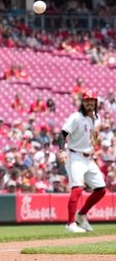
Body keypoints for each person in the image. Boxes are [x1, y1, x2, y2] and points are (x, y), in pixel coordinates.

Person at [58, 90, 107, 233]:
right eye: (87, 101)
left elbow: (93, 137)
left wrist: (95, 139)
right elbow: (62, 134)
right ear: (83, 103)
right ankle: (70, 224)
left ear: (96, 103)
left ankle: (82, 214)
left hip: (88, 157)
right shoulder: (76, 117)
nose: (90, 103)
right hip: (74, 156)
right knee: (77, 188)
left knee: (101, 190)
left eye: (92, 101)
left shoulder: (97, 118)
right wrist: (61, 150)